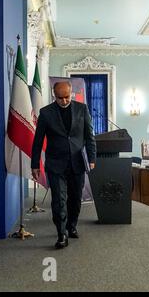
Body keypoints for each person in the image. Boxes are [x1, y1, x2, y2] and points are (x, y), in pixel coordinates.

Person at [31, 81, 96, 249]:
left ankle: (71, 226)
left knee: (75, 198)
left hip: (77, 163)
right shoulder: (45, 113)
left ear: (71, 93)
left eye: (67, 97)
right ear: (54, 95)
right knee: (59, 200)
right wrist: (35, 164)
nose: (64, 101)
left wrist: (92, 158)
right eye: (60, 98)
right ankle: (62, 234)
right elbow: (37, 141)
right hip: (55, 163)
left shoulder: (82, 109)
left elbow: (90, 136)